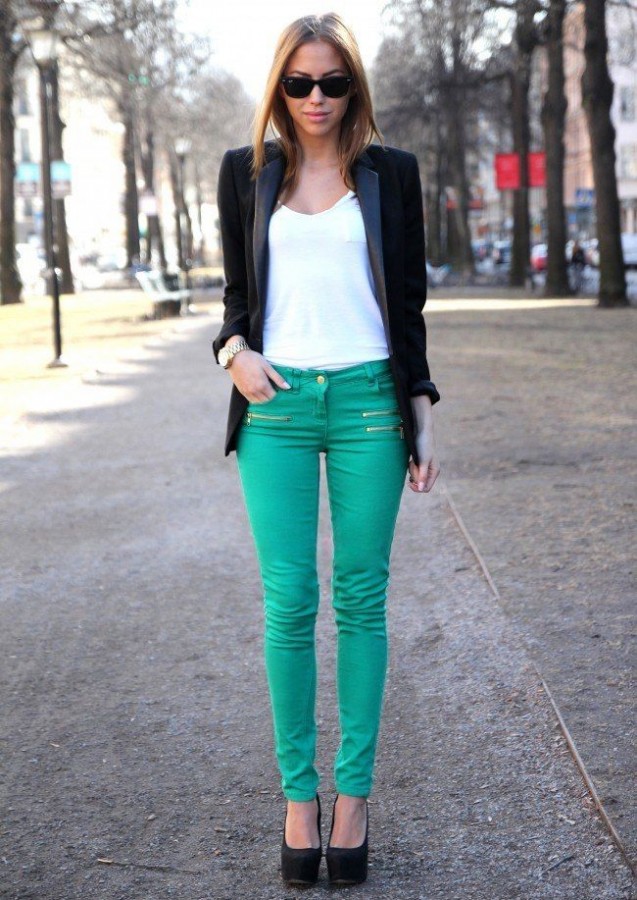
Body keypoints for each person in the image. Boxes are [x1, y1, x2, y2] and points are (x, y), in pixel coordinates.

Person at [212, 12, 441, 887]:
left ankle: (353, 800)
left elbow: (407, 302)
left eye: (333, 82)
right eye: (300, 82)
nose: (316, 97)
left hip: (367, 404)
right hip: (274, 406)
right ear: (280, 86)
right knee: (288, 602)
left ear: (354, 87)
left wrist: (421, 412)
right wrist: (233, 354)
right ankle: (298, 799)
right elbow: (236, 300)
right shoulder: (246, 172)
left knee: (361, 597)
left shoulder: (392, 174)